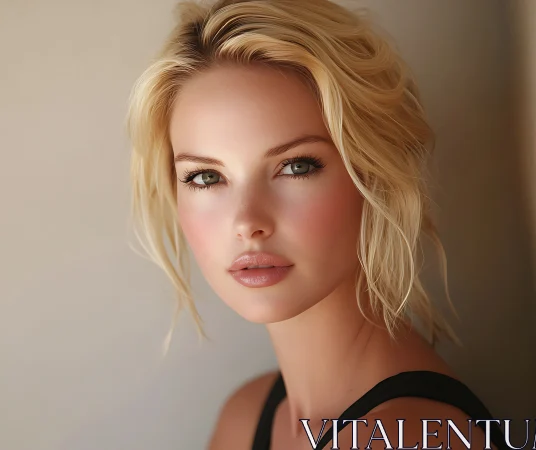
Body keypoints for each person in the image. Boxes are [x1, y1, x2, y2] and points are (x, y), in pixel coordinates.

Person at [126, 1, 509, 449]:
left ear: (373, 173)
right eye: (206, 177)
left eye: (295, 167)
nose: (248, 222)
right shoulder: (245, 420)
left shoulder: (408, 439)